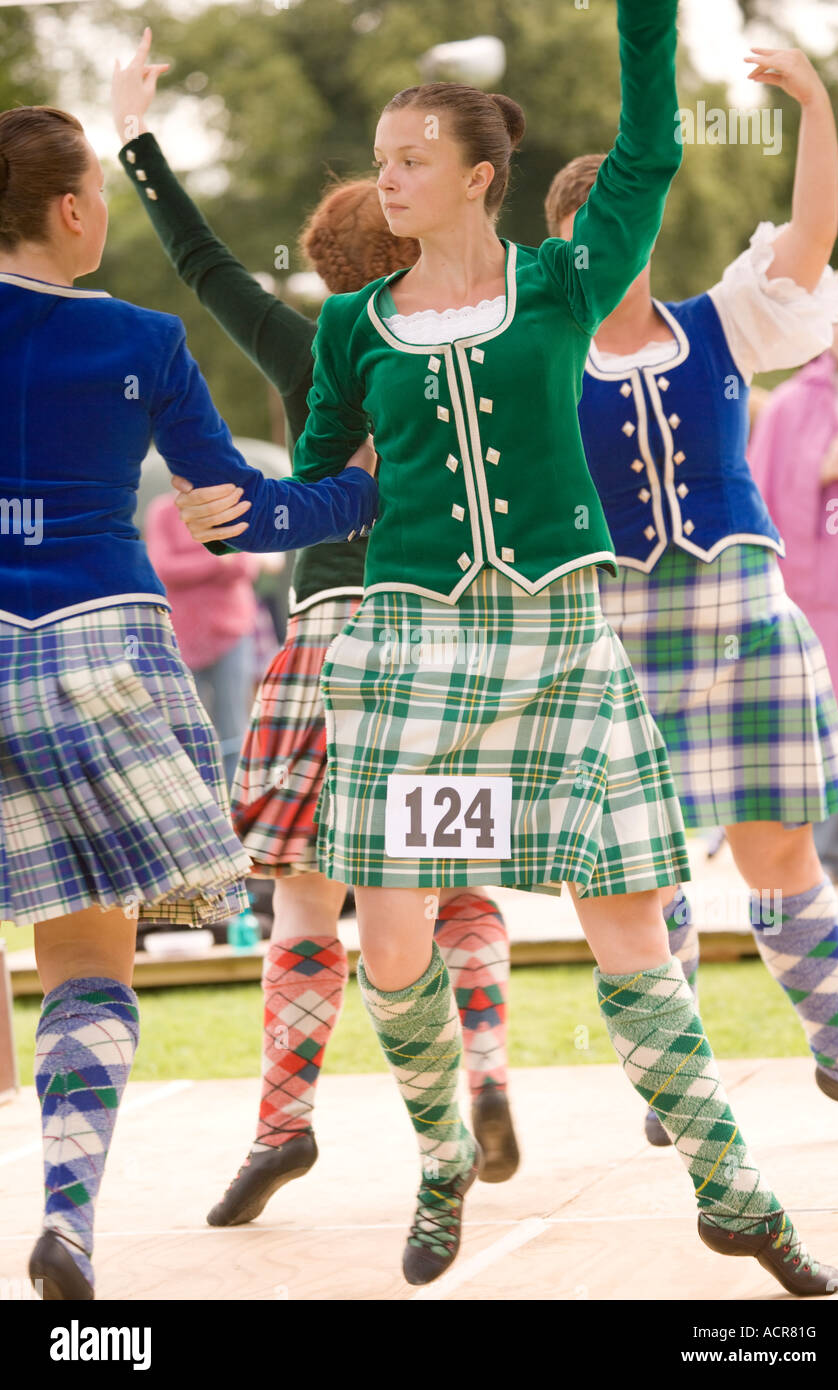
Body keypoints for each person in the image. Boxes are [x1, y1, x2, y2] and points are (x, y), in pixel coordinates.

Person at [175, 0, 838, 1298]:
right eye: (383, 158)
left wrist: (645, 17)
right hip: (422, 666)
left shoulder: (564, 280)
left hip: (564, 654)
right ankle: (440, 1160)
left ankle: (731, 1191)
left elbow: (647, 154)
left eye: (412, 155)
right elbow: (337, 492)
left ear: (481, 174)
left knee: (630, 940)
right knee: (393, 935)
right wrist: (262, 511)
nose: (388, 176)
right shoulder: (355, 329)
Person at [111, 29, 521, 1229]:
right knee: (457, 883)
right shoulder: (483, 335)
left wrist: (137, 137)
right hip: (450, 648)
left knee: (302, 900)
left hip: (333, 633)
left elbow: (202, 264)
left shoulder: (319, 341)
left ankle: (282, 1121)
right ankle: (486, 1069)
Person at [0, 103, 376, 1301]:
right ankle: (67, 1216)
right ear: (71, 209)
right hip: (99, 648)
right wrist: (358, 488)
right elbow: (243, 515)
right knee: (88, 966)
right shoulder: (143, 342)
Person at [543, 49, 838, 1152]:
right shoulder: (537, 358)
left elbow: (810, 240)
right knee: (648, 861)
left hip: (740, 611)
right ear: (567, 246)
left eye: (632, 218)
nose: (616, 244)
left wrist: (814, 106)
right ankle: (676, 1077)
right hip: (616, 630)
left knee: (778, 845)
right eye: (597, 226)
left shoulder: (721, 320)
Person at [749, 266, 838, 884]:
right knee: (831, 709)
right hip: (822, 582)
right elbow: (762, 494)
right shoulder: (793, 403)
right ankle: (824, 860)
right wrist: (822, 470)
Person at [145, 491, 263, 786]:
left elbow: (246, 565)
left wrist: (192, 562)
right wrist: (216, 561)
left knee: (234, 726)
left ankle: (235, 810)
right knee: (185, 728)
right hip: (180, 639)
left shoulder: (232, 505)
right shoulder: (162, 511)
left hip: (232, 632)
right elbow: (161, 567)